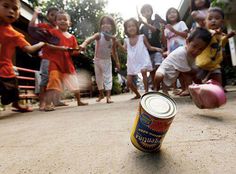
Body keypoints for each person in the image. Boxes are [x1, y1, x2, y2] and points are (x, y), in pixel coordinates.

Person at [0, 0, 46, 112]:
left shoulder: (15, 35)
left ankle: (16, 104)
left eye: (15, 9)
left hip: (5, 70)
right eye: (6, 6)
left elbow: (29, 50)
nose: (10, 11)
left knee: (13, 89)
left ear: (18, 14)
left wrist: (42, 43)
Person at [42, 10, 88, 111]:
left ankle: (79, 101)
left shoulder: (72, 37)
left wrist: (80, 50)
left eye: (65, 19)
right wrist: (62, 48)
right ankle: (48, 104)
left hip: (67, 63)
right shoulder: (53, 32)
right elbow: (48, 45)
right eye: (59, 19)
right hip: (55, 62)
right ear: (56, 22)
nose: (62, 21)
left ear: (69, 23)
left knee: (74, 82)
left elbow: (74, 52)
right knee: (53, 81)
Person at [29, 7, 67, 110]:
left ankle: (56, 100)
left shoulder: (60, 30)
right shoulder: (44, 27)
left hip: (58, 58)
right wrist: (35, 13)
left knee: (57, 79)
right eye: (52, 15)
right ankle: (42, 102)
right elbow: (31, 27)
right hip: (47, 57)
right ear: (47, 16)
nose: (55, 17)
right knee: (45, 79)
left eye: (57, 15)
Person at [154, 28, 212, 95]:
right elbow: (187, 72)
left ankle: (186, 89)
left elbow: (192, 68)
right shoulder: (181, 52)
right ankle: (156, 88)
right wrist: (197, 72)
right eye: (194, 46)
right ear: (187, 42)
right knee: (159, 75)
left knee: (187, 73)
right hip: (165, 69)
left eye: (201, 49)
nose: (196, 51)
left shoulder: (192, 54)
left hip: (176, 70)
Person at [117, 18, 162, 99]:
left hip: (143, 59)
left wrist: (157, 49)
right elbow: (124, 50)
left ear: (137, 27)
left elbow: (149, 47)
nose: (131, 28)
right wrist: (118, 44)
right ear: (126, 29)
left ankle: (146, 92)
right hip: (132, 61)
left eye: (133, 25)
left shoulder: (142, 37)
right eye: (129, 26)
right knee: (129, 82)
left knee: (143, 71)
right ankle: (137, 94)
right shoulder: (126, 40)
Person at [80, 15, 120, 103]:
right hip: (97, 60)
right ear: (101, 26)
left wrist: (117, 62)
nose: (105, 25)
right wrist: (84, 44)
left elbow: (114, 52)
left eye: (108, 23)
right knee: (98, 78)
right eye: (103, 23)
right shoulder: (99, 35)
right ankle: (101, 94)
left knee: (108, 77)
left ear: (112, 26)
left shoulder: (113, 39)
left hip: (107, 60)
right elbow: (89, 39)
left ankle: (108, 97)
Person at [195, 7, 235, 85]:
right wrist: (212, 32)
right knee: (200, 84)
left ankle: (219, 90)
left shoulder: (219, 35)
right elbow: (206, 35)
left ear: (222, 22)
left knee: (217, 83)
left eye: (217, 18)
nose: (213, 20)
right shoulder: (204, 32)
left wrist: (229, 35)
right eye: (210, 19)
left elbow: (222, 41)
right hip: (202, 64)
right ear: (205, 22)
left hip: (214, 65)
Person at [163, 7, 189, 96]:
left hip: (182, 50)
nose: (172, 14)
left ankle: (188, 88)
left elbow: (186, 35)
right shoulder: (166, 28)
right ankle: (183, 88)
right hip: (172, 53)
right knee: (178, 72)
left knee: (184, 70)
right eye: (169, 13)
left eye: (174, 12)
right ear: (167, 16)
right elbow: (166, 41)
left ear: (178, 14)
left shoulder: (181, 23)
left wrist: (173, 30)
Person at [139, 4, 164, 89]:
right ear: (142, 14)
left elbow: (155, 30)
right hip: (148, 52)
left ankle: (163, 87)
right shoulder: (142, 27)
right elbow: (139, 37)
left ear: (151, 12)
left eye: (148, 10)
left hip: (157, 50)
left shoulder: (155, 21)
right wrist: (139, 24)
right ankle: (156, 87)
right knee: (152, 71)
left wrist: (144, 23)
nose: (146, 13)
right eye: (144, 12)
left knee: (159, 67)